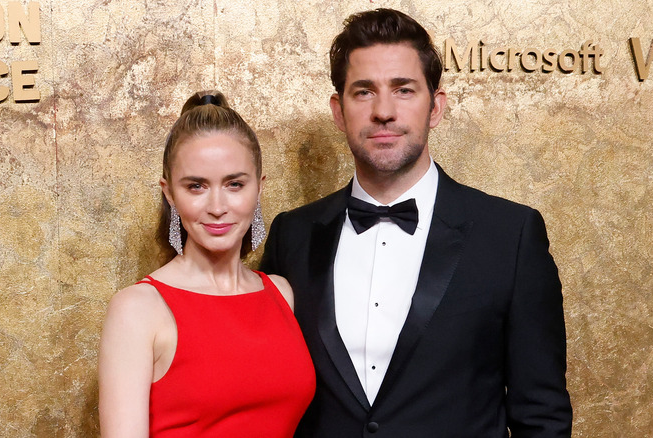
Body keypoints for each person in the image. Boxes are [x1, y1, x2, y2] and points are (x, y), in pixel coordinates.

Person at [260, 8, 572, 437]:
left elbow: (542, 416)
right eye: (364, 92)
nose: (384, 111)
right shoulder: (291, 235)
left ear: (436, 106)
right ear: (339, 110)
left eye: (404, 90)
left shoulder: (511, 236)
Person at [98, 91, 315, 437]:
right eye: (196, 186)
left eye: (234, 184)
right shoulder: (137, 309)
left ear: (258, 188)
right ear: (170, 193)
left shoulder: (281, 293)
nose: (217, 206)